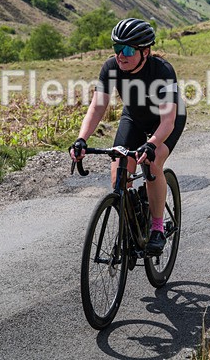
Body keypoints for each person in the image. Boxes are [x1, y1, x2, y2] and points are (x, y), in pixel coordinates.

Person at [70, 18, 187, 256]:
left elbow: (168, 121)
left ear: (145, 52)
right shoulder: (111, 68)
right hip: (134, 117)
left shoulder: (162, 71)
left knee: (151, 162)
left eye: (127, 50)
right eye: (116, 48)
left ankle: (156, 228)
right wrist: (82, 139)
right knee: (119, 170)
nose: (120, 55)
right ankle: (132, 214)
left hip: (165, 121)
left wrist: (152, 144)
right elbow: (97, 108)